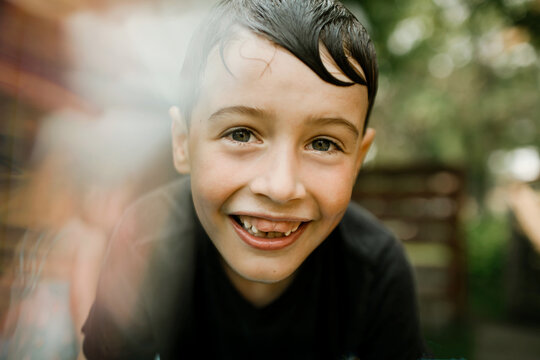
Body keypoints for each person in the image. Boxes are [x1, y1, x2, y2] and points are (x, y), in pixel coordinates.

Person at [81, 0, 426, 359]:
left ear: (358, 158)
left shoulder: (375, 270)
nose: (280, 187)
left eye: (323, 143)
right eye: (242, 134)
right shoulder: (144, 242)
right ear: (183, 142)